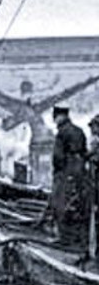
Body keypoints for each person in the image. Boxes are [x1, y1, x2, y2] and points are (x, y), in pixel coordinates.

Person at [51, 105, 90, 247]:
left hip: (66, 171)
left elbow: (58, 157)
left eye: (55, 117)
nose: (55, 121)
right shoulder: (79, 131)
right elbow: (85, 152)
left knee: (60, 203)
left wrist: (58, 173)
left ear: (59, 117)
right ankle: (79, 238)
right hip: (80, 172)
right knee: (79, 203)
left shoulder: (62, 133)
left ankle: (64, 239)